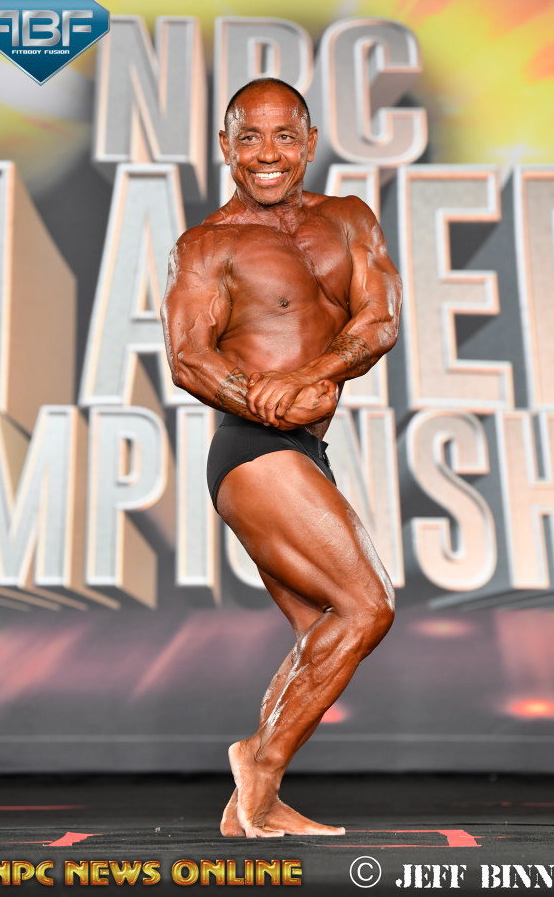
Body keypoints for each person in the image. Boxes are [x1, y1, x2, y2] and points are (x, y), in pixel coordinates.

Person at [161, 77, 402, 839]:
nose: (268, 154)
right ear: (226, 146)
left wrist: (307, 378)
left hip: (305, 446)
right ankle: (258, 760)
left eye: (284, 136)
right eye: (250, 138)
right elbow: (188, 358)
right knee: (367, 604)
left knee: (323, 632)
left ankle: (253, 808)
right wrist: (262, 398)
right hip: (252, 449)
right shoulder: (206, 245)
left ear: (309, 142)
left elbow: (380, 319)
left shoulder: (349, 219)